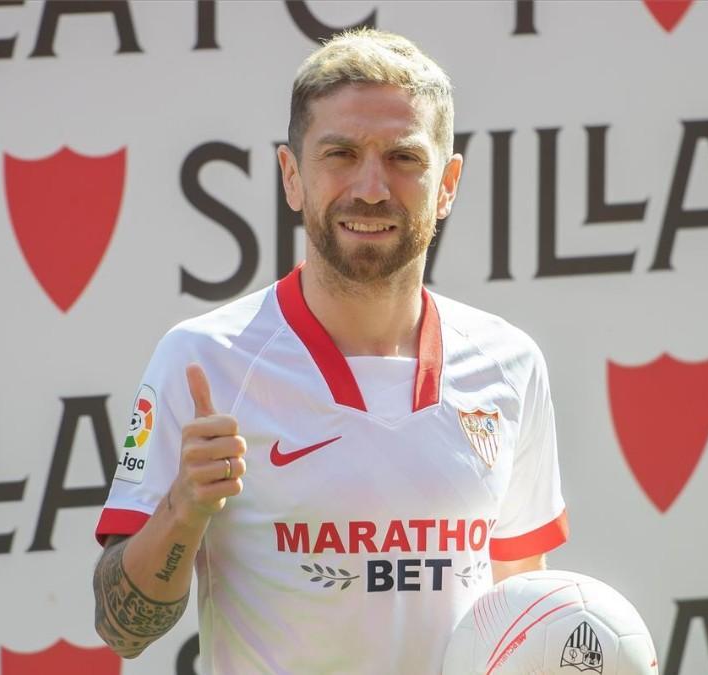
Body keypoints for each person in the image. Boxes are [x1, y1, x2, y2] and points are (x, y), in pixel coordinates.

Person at [92, 28, 568, 674]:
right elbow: (121, 627)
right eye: (340, 154)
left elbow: (522, 619)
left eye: (404, 158)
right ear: (292, 176)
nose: (371, 187)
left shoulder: (510, 363)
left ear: (449, 183)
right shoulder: (203, 360)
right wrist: (184, 507)